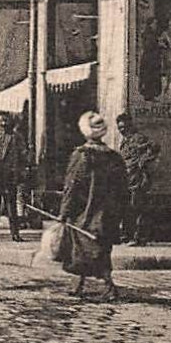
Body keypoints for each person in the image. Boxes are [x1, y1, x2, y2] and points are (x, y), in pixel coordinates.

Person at [55, 111, 128, 301]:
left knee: (87, 248)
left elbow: (72, 186)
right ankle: (80, 283)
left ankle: (109, 286)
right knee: (99, 247)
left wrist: (64, 212)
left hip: (85, 212)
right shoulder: (114, 157)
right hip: (107, 212)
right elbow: (123, 187)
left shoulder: (81, 156)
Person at [0, 112, 30, 242]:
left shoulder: (15, 137)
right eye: (0, 121)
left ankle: (15, 234)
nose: (3, 123)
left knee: (11, 206)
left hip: (8, 176)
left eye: (5, 121)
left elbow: (23, 155)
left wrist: (19, 171)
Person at [116, 112, 160, 246]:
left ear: (130, 125)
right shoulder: (124, 141)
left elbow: (154, 147)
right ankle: (128, 236)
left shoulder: (138, 138)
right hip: (128, 180)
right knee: (128, 209)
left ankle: (138, 238)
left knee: (137, 209)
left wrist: (143, 162)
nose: (121, 130)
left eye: (124, 127)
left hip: (138, 180)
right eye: (119, 127)